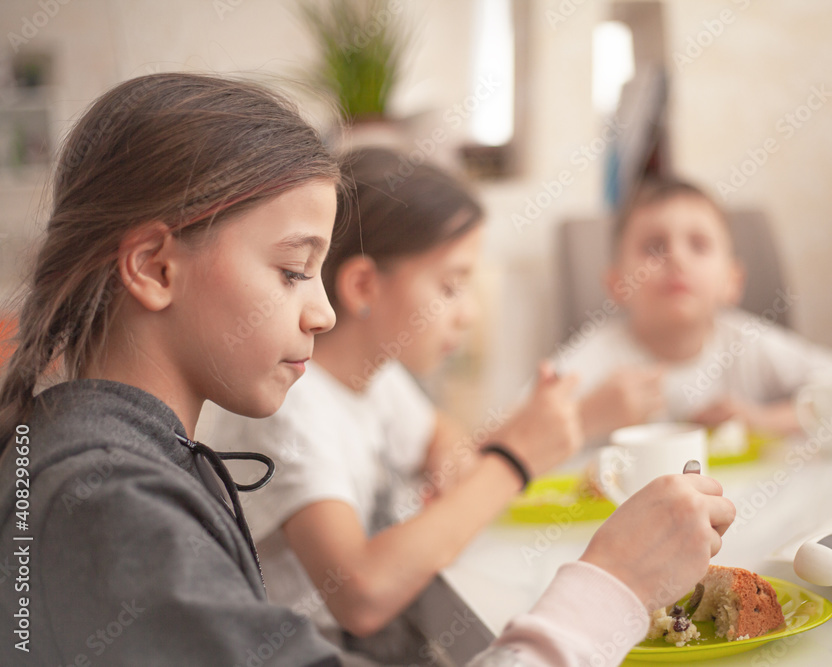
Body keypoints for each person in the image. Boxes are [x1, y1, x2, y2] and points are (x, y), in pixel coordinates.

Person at [0, 73, 735, 666]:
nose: (322, 314)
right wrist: (614, 584)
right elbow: (360, 591)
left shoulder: (97, 459)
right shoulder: (111, 507)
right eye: (293, 269)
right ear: (155, 267)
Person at [201, 147, 588, 660]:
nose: (468, 313)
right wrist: (514, 461)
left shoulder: (376, 376)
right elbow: (359, 592)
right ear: (363, 285)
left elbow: (439, 436)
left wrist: (456, 472)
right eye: (451, 286)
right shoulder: (290, 405)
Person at [557, 179, 832, 441]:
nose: (677, 259)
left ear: (732, 281)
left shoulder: (749, 344)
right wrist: (588, 416)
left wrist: (764, 420)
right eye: (654, 247)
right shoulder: (599, 356)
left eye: (698, 245)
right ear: (617, 284)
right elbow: (506, 442)